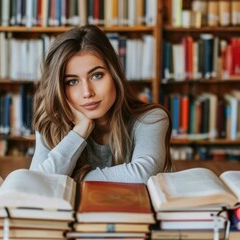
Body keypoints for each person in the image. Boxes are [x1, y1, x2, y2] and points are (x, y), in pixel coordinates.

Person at [30, 25, 172, 183]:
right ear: (59, 88)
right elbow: (37, 182)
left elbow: (144, 174)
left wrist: (69, 178)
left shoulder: (151, 119)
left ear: (114, 74)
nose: (87, 92)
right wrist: (78, 133)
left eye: (96, 75)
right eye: (72, 81)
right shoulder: (50, 123)